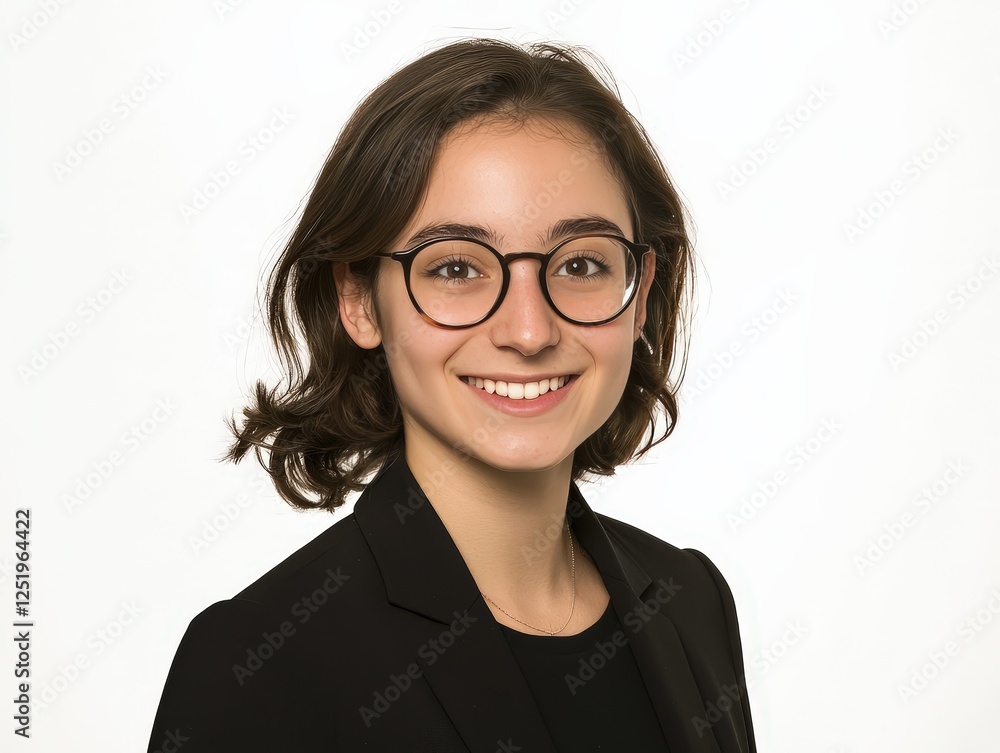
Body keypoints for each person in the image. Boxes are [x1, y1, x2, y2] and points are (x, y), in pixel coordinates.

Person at [147, 38, 756, 753]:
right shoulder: (259, 661)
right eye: (458, 267)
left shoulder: (693, 602)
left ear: (642, 294)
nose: (529, 329)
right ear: (359, 300)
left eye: (582, 263)